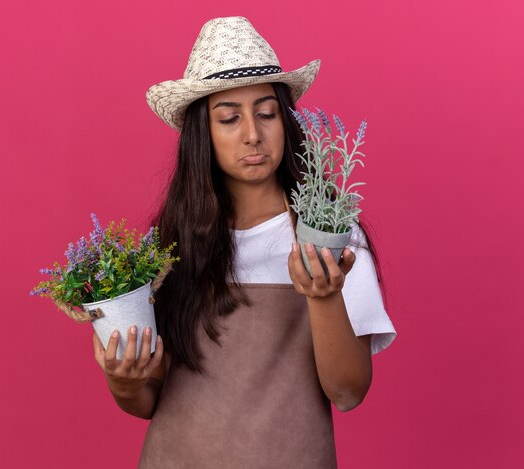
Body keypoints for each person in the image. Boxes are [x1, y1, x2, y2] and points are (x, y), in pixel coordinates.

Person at [92, 16, 397, 468]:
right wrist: (122, 381)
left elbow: (348, 391)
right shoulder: (169, 246)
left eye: (267, 113)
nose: (252, 134)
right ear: (203, 134)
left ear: (287, 120)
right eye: (229, 118)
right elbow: (149, 399)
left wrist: (324, 295)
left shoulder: (332, 236)